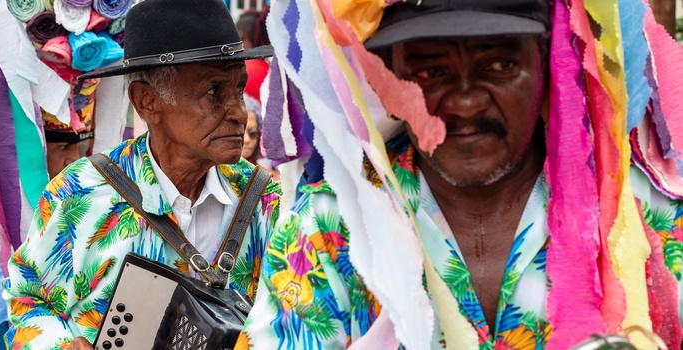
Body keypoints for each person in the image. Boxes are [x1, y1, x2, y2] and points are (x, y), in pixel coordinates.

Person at [242, 0, 683, 349]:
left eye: (499, 66)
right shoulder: (331, 224)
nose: (466, 103)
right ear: (387, 75)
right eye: (430, 72)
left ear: (547, 62)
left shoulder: (642, 217)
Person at [2, 0, 282, 349]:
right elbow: (28, 301)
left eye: (238, 89)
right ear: (147, 101)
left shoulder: (267, 201)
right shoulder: (80, 193)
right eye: (214, 92)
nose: (239, 113)